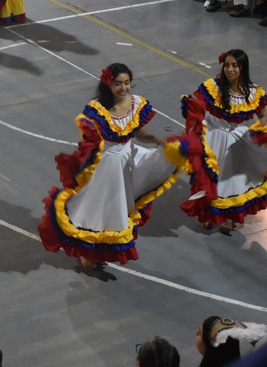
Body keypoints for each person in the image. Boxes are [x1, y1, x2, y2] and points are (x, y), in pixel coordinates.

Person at [37, 63, 177, 269]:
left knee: (115, 212)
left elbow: (138, 132)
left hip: (127, 162)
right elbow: (89, 141)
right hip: (105, 167)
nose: (123, 88)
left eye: (127, 83)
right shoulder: (97, 110)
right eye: (118, 84)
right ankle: (85, 252)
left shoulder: (136, 103)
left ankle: (99, 250)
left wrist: (156, 140)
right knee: (94, 213)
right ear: (108, 84)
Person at [165, 49, 267, 229]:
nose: (230, 70)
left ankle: (231, 215)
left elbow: (263, 115)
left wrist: (257, 130)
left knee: (235, 183)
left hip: (238, 141)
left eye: (235, 66)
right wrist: (191, 108)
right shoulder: (212, 87)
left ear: (242, 68)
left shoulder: (252, 92)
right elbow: (198, 108)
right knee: (212, 180)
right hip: (214, 139)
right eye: (227, 66)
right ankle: (209, 214)